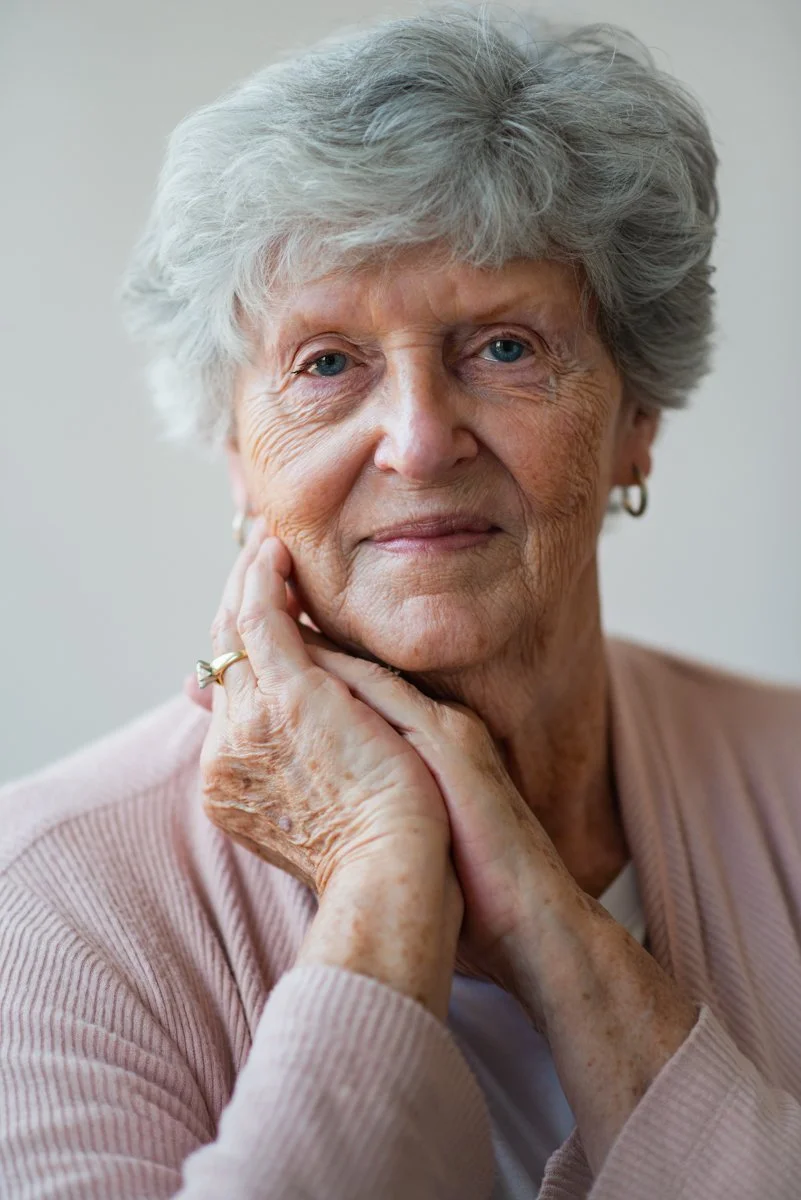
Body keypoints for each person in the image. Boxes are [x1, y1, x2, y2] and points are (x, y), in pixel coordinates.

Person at [1, 8, 800, 1199]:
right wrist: (377, 882)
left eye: (507, 348)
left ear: (638, 420)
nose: (420, 442)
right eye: (327, 363)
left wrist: (540, 914)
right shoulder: (49, 906)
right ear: (237, 453)